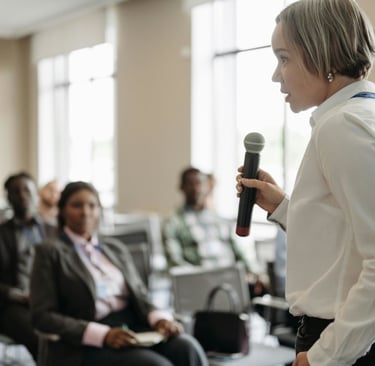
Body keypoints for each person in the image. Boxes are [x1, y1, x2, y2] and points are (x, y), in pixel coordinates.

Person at [236, 0, 375, 365]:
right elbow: (344, 243)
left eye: (283, 58)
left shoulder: (343, 126)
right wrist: (283, 206)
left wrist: (325, 355)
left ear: (323, 55)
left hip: (340, 336)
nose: (275, 75)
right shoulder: (359, 115)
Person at [30, 181, 208, 366]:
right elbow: (42, 316)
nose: (85, 212)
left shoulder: (115, 248)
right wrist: (102, 335)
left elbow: (140, 295)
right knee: (156, 365)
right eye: (76, 205)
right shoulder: (49, 252)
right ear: (63, 210)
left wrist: (160, 319)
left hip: (133, 325)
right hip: (86, 341)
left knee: (188, 348)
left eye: (92, 205)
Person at [162, 167, 266, 299]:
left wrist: (255, 272)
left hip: (231, 283)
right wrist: (205, 279)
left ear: (206, 187)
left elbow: (239, 252)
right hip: (199, 287)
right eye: (190, 184)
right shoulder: (173, 222)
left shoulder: (218, 219)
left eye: (199, 183)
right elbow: (174, 262)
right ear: (181, 187)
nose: (196, 188)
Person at [0, 172, 56, 361]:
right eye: (16, 191)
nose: (22, 195)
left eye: (26, 189)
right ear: (8, 197)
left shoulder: (52, 230)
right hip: (14, 305)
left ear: (35, 193)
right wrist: (21, 296)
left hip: (52, 300)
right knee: (41, 339)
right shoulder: (1, 234)